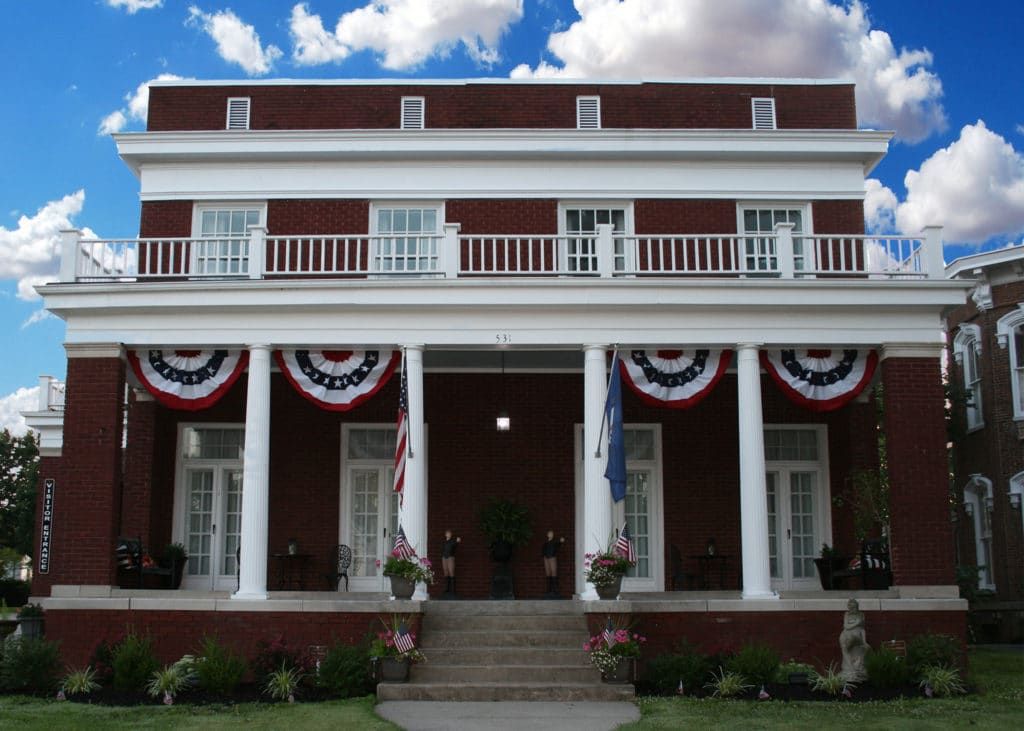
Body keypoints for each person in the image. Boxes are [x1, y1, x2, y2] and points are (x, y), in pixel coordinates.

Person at [839, 597, 869, 683]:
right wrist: (857, 623)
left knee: (865, 648)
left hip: (857, 635)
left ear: (857, 606)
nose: (853, 609)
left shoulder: (861, 614)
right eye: (851, 608)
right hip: (846, 635)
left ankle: (856, 669)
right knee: (845, 649)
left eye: (854, 607)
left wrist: (864, 641)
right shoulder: (847, 614)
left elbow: (862, 629)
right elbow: (846, 626)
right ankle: (849, 669)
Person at [542, 530, 565, 598]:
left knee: (553, 572)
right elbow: (543, 550)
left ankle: (555, 589)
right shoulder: (545, 543)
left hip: (552, 558)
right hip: (546, 558)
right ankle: (548, 589)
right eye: (549, 533)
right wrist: (544, 556)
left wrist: (561, 541)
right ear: (547, 535)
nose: (551, 535)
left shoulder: (554, 542)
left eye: (552, 533)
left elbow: (558, 544)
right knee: (548, 573)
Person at [441, 529, 461, 596]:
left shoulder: (453, 541)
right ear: (445, 534)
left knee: (451, 572)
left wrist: (458, 541)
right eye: (447, 533)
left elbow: (456, 544)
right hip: (444, 557)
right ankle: (447, 589)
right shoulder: (444, 542)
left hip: (450, 557)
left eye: (450, 533)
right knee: (446, 572)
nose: (449, 534)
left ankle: (453, 590)